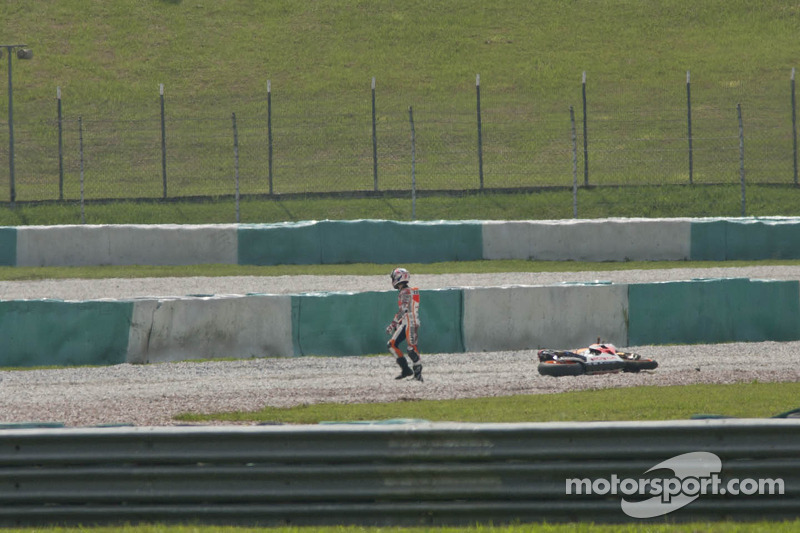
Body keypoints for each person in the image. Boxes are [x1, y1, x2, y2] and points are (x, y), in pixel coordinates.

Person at [385, 267, 423, 381]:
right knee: (391, 344)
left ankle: (418, 375)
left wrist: (392, 324)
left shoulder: (405, 292)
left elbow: (404, 310)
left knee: (411, 349)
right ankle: (406, 370)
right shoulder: (407, 291)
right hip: (406, 322)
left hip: (411, 322)